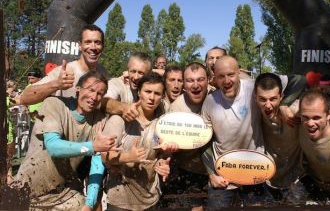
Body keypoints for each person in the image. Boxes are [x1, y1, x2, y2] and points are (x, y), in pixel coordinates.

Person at [254, 73, 330, 204]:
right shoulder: (254, 109)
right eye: (263, 99)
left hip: (297, 179)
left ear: (281, 97)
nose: (268, 105)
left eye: (273, 99)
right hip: (266, 178)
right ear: (255, 98)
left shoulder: (294, 110)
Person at [12, 71, 117, 210]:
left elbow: (97, 164)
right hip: (26, 191)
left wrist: (89, 203)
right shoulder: (54, 104)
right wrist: (92, 146)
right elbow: (53, 146)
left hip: (64, 194)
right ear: (78, 89)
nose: (94, 97)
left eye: (100, 94)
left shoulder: (100, 119)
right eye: (91, 90)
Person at [201, 56, 288, 209]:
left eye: (231, 74)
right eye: (221, 76)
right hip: (223, 176)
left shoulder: (255, 88)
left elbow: (299, 80)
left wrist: (285, 105)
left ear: (239, 72)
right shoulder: (209, 102)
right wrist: (211, 174)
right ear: (214, 77)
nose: (227, 81)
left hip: (255, 171)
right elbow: (204, 141)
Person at [101, 72, 174, 210]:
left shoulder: (163, 124)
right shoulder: (119, 119)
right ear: (139, 92)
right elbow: (104, 156)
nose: (152, 98)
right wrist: (128, 157)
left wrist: (163, 163)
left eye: (157, 93)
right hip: (120, 200)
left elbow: (162, 156)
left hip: (150, 199)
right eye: (147, 91)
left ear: (163, 96)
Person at [19, 24, 109, 105]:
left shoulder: (103, 73)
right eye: (88, 42)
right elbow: (24, 98)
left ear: (103, 46)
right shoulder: (65, 71)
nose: (93, 47)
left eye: (97, 42)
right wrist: (56, 84)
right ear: (80, 46)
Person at [165, 62, 210, 211]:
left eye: (200, 79)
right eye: (190, 80)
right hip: (189, 170)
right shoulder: (176, 108)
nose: (196, 85)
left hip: (218, 169)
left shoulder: (217, 97)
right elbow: (167, 146)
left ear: (208, 80)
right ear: (184, 84)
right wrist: (171, 149)